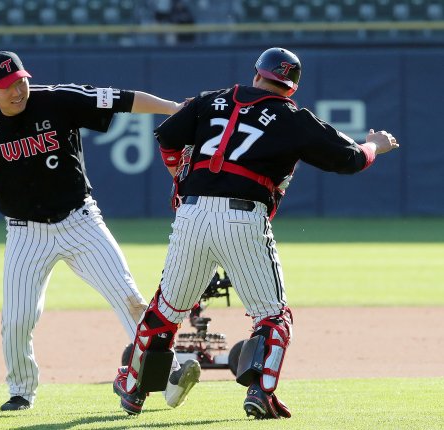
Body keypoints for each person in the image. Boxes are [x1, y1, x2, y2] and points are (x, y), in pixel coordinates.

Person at [112, 47, 399, 418]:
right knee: (272, 317)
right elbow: (351, 159)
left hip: (192, 215)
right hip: (243, 217)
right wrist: (375, 144)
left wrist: (179, 175)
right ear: (291, 88)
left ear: (257, 74)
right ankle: (260, 392)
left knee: (165, 312)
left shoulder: (209, 100)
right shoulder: (292, 117)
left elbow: (167, 138)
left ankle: (134, 388)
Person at [0, 50, 200, 412]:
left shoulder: (58, 100)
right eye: (5, 86)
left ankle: (171, 375)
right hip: (25, 233)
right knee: (16, 320)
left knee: (130, 299)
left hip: (81, 222)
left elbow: (124, 100)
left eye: (20, 82)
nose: (17, 91)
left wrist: (175, 108)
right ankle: (21, 390)